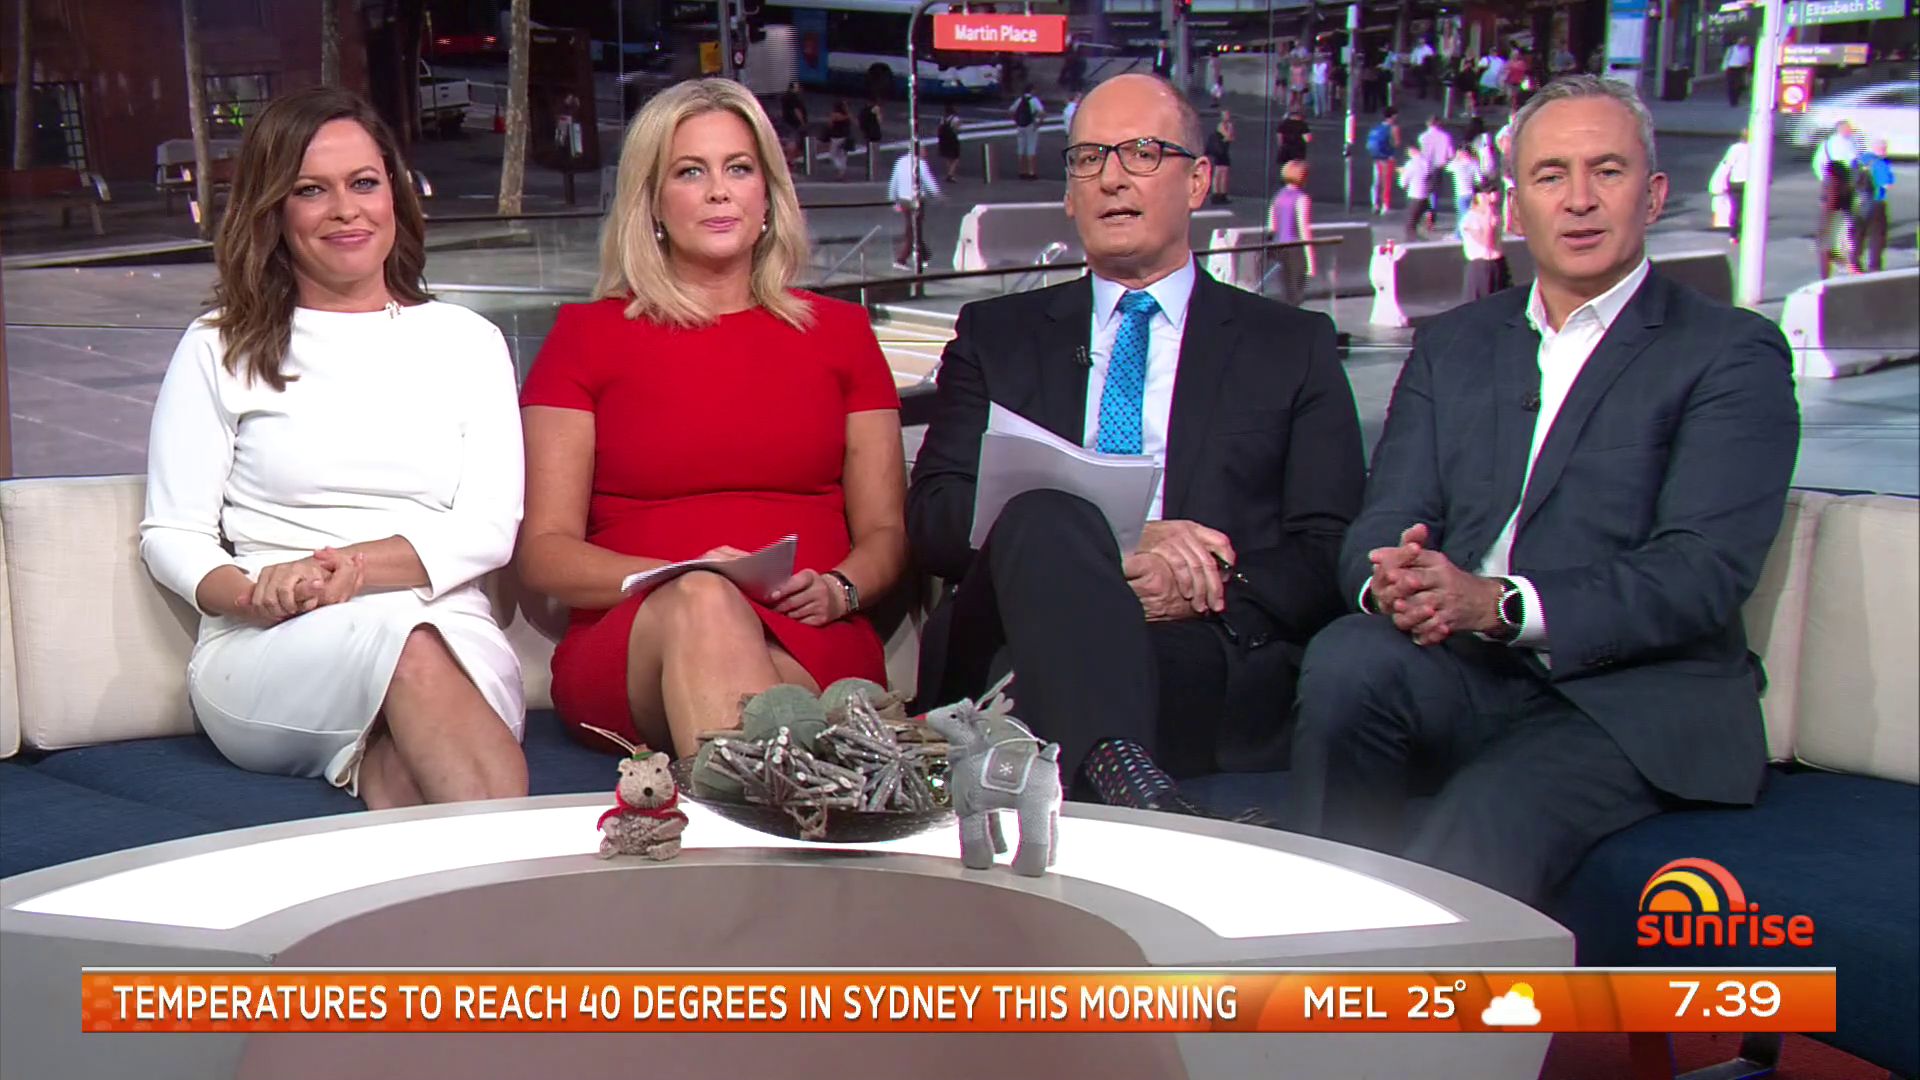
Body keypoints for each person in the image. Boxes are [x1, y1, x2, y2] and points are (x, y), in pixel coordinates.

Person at [1286, 75, 1801, 908]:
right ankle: (1311, 933)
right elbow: (1384, 516)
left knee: (1481, 822)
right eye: (1551, 175)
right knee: (1349, 659)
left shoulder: (1730, 353)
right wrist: (1394, 584)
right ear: (1517, 207)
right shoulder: (1455, 344)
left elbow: (1702, 571)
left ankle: (1401, 983)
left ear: (1653, 195)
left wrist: (1499, 605)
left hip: (1632, 701)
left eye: (1608, 171)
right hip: (1463, 667)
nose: (1580, 200)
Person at [907, 73, 1365, 816]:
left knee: (1084, 668)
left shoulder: (1291, 346)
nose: (1112, 178)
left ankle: (1109, 762)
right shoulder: (998, 337)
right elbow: (934, 516)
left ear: (1199, 181)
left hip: (1195, 645)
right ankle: (1127, 773)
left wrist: (1207, 578)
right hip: (1012, 635)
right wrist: (1112, 542)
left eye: (1143, 153)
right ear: (1069, 192)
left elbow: (1328, 546)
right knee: (1045, 512)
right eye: (1089, 158)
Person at [140, 87, 529, 809]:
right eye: (311, 190)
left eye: (364, 183)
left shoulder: (467, 342)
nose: (346, 210)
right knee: (406, 645)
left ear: (394, 196)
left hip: (448, 628)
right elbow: (171, 533)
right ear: (274, 211)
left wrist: (342, 570)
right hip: (271, 644)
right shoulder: (218, 346)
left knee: (411, 709)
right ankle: (535, 879)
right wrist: (255, 594)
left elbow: (486, 530)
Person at [517, 79, 908, 757]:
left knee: (774, 710)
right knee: (704, 602)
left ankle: (741, 808)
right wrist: (682, 573)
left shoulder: (843, 335)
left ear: (769, 195)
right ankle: (773, 804)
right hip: (639, 635)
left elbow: (885, 532)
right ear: (653, 201)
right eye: (691, 172)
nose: (719, 192)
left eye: (739, 168)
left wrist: (842, 589)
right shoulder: (585, 337)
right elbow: (545, 553)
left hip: (811, 633)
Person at [1268, 159, 1315, 305]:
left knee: (1286, 290)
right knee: (1297, 293)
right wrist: (1311, 262)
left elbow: (1272, 226)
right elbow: (1304, 230)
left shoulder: (1278, 197)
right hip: (1295, 249)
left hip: (1279, 247)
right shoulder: (1302, 198)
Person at [889, 143, 942, 271]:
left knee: (914, 228)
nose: (926, 153)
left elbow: (894, 181)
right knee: (913, 230)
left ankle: (924, 255)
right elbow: (928, 181)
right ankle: (901, 259)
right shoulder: (920, 164)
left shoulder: (900, 162)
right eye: (924, 150)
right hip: (916, 201)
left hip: (903, 200)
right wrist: (937, 194)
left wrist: (893, 199)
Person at [1458, 180, 1509, 302]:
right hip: (1481, 265)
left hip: (1497, 263)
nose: (1492, 196)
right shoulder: (1470, 219)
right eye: (1488, 193)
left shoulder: (1495, 215)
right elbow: (1486, 242)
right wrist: (1488, 216)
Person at [1854, 137, 1894, 272]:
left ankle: (1854, 264)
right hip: (1876, 203)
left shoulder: (1859, 160)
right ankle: (1874, 266)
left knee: (1858, 235)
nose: (1886, 152)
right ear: (1881, 149)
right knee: (1877, 236)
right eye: (1885, 149)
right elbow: (1887, 184)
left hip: (1858, 202)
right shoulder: (1880, 163)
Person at [1709, 130, 1750, 244]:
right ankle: (1747, 232)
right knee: (1749, 209)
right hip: (1751, 182)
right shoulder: (1757, 148)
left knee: (1735, 209)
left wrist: (1721, 181)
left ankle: (1733, 235)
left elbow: (1727, 165)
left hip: (1736, 181)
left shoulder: (1735, 148)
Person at [1366, 107, 1401, 216]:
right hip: (1388, 158)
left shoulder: (1376, 128)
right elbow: (1396, 143)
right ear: (1393, 116)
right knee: (1386, 183)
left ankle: (1375, 204)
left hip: (1377, 158)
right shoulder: (1393, 128)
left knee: (1376, 182)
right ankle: (1385, 206)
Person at [1446, 144, 1482, 236]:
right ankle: (1457, 234)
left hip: (1461, 193)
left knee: (1464, 215)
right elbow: (1479, 179)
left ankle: (1464, 234)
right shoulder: (1474, 163)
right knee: (1463, 214)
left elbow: (1447, 168)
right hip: (1470, 192)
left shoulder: (1457, 164)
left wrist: (1456, 158)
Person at [1400, 145, 1434, 240]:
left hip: (1414, 195)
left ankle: (1411, 241)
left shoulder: (1410, 164)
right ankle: (1423, 238)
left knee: (1410, 223)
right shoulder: (1426, 162)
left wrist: (1402, 173)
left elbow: (1403, 182)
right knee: (1420, 219)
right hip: (1425, 195)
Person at [1011, 87, 1045, 179]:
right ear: (1032, 90)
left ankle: (1021, 171)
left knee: (1021, 148)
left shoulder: (1019, 100)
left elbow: (1011, 111)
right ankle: (1031, 172)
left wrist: (1016, 121)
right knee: (1031, 148)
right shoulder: (1034, 100)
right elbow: (1042, 113)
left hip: (1020, 126)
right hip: (1030, 125)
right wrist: (1039, 123)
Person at [1205, 110, 1234, 205]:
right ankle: (1216, 194)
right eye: (1225, 115)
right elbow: (1228, 136)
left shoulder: (1229, 125)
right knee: (1218, 173)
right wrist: (1228, 136)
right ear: (1222, 117)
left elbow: (1231, 138)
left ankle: (1222, 193)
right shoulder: (1221, 125)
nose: (1227, 117)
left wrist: (1228, 136)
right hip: (1219, 152)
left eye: (1228, 115)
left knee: (1224, 173)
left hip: (1224, 151)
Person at [1276, 102, 1311, 169]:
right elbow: (1307, 139)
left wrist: (1281, 147)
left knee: (1286, 169)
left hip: (1286, 150)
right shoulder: (1303, 125)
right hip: (1298, 151)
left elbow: (1279, 138)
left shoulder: (1284, 123)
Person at [779, 81, 808, 163]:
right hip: (794, 123)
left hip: (786, 120)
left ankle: (787, 157)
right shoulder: (794, 98)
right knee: (793, 140)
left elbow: (782, 110)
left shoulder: (785, 97)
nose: (799, 89)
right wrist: (802, 122)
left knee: (788, 139)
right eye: (798, 87)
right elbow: (797, 111)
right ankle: (789, 159)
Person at [1722, 36, 1753, 107]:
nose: (1742, 42)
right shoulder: (1732, 48)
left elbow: (1750, 59)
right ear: (1737, 41)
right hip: (1731, 67)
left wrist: (1749, 67)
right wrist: (1724, 67)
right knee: (1731, 84)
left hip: (1742, 68)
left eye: (1744, 41)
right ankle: (1732, 101)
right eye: (1741, 41)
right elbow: (1727, 57)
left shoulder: (1748, 49)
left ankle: (1736, 98)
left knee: (1739, 85)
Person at [937, 104, 964, 183]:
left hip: (944, 140)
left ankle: (949, 173)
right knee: (955, 158)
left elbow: (940, 128)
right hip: (953, 140)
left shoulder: (943, 118)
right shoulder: (955, 119)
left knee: (948, 157)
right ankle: (950, 174)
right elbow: (958, 130)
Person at [827, 98, 852, 179]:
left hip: (836, 137)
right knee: (842, 155)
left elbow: (830, 124)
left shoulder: (835, 115)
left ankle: (840, 169)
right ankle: (841, 172)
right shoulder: (848, 116)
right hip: (844, 136)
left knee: (833, 155)